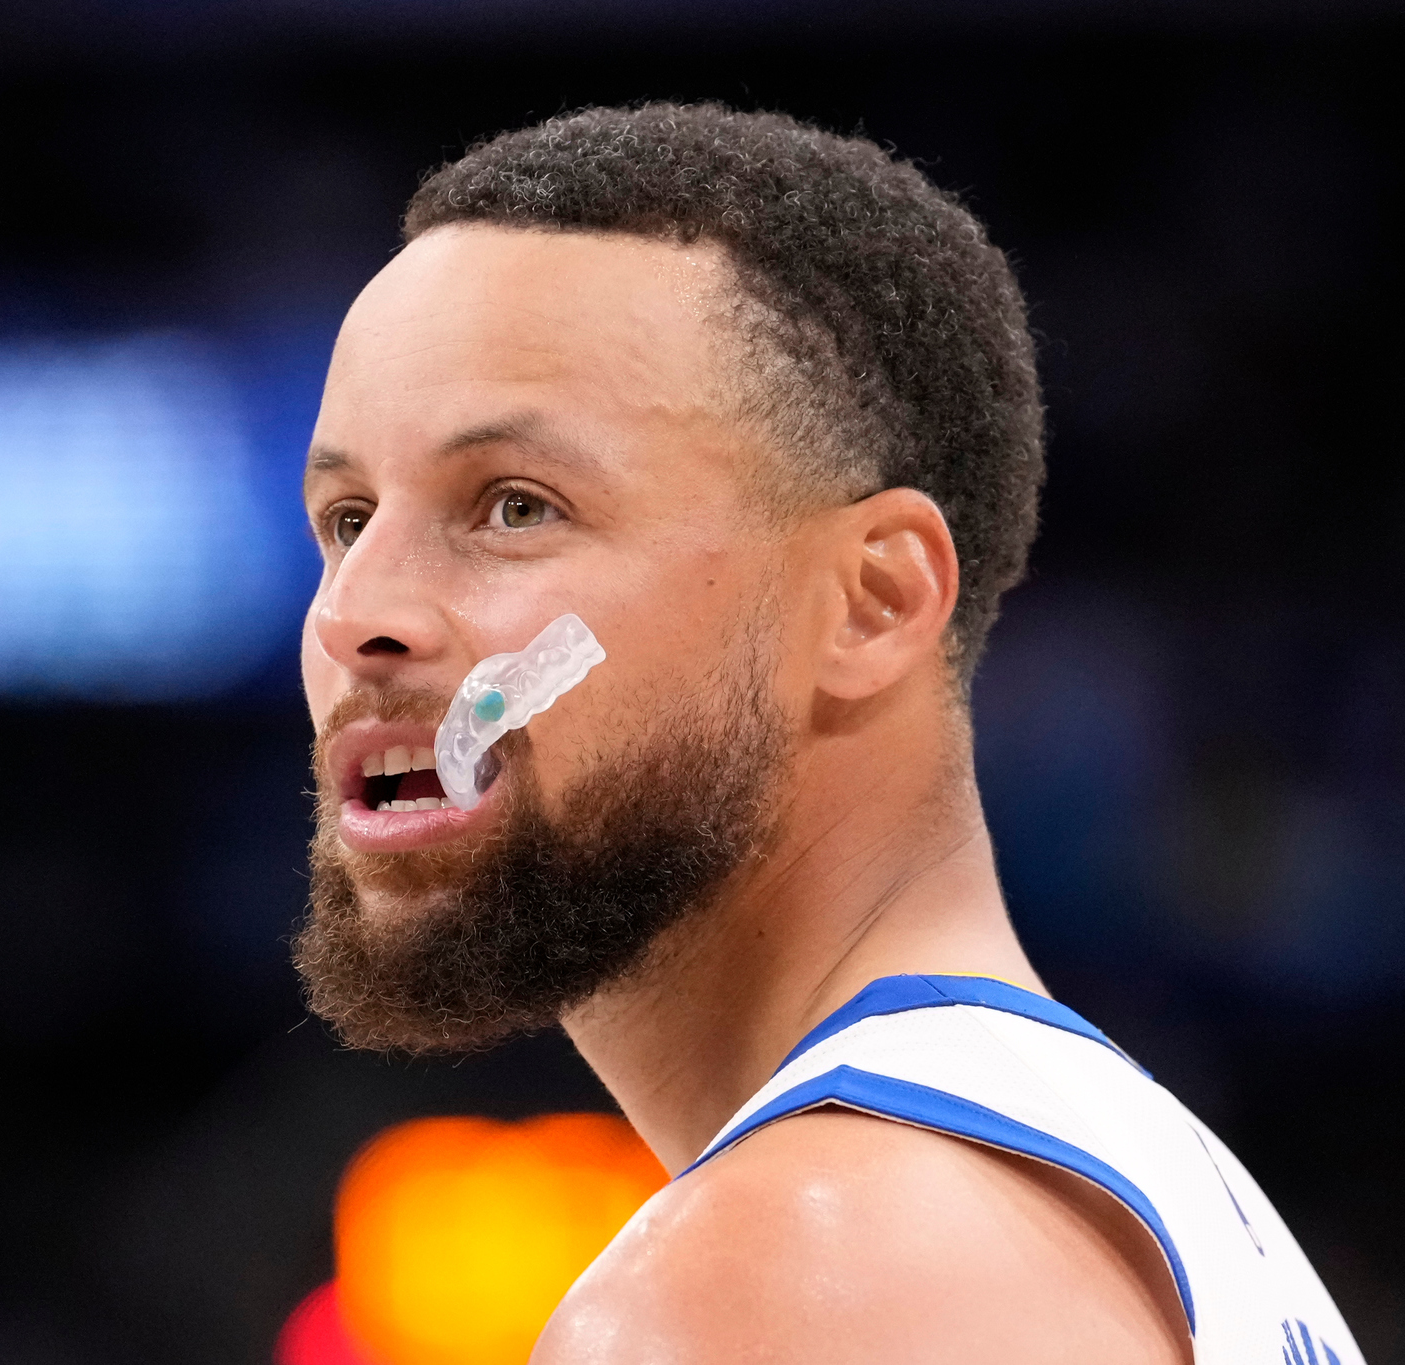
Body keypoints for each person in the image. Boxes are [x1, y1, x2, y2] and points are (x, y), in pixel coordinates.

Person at [291, 103, 1360, 1365]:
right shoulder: (1140, 1185)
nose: (354, 613)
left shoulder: (785, 1276)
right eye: (347, 519)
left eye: (515, 506)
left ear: (872, 602)